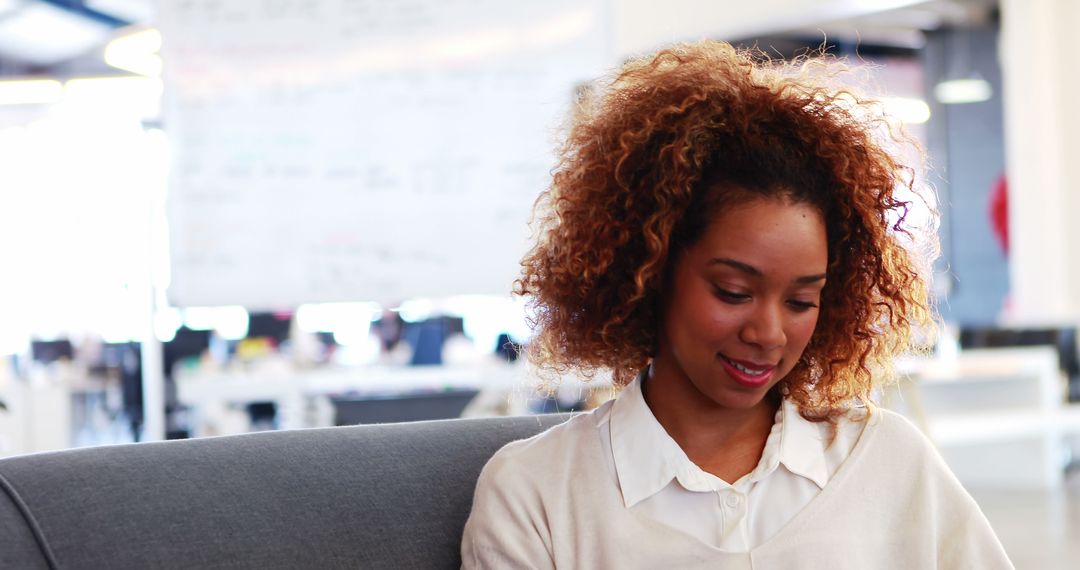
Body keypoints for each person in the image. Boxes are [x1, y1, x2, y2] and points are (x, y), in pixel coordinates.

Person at [461, 40, 1012, 568]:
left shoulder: (885, 459)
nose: (769, 333)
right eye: (734, 292)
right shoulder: (538, 494)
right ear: (649, 271)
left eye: (801, 300)